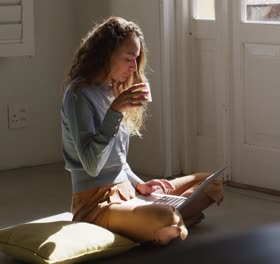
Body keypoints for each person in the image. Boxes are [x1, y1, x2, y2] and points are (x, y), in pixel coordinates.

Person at [61, 17, 224, 245]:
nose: (134, 67)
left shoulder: (112, 89)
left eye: (136, 59)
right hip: (96, 205)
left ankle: (169, 217)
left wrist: (140, 184)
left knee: (212, 183)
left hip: (130, 192)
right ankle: (171, 218)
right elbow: (91, 164)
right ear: (105, 55)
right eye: (129, 59)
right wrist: (115, 111)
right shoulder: (78, 95)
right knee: (166, 218)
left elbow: (118, 160)